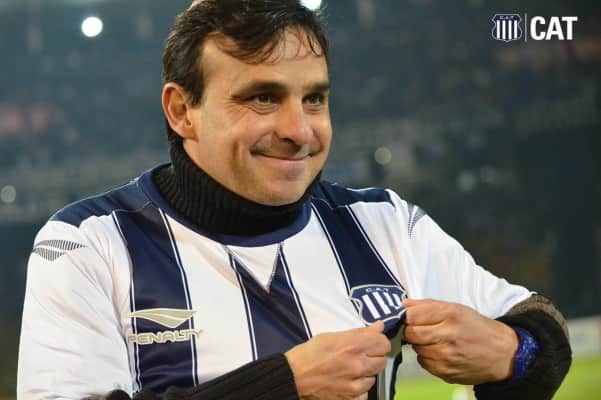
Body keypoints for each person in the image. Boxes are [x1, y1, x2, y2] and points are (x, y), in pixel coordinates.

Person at [17, 1, 571, 399]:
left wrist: (511, 353)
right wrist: (284, 385)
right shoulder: (89, 244)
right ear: (182, 111)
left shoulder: (382, 223)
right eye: (263, 97)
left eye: (314, 99)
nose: (299, 130)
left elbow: (542, 332)